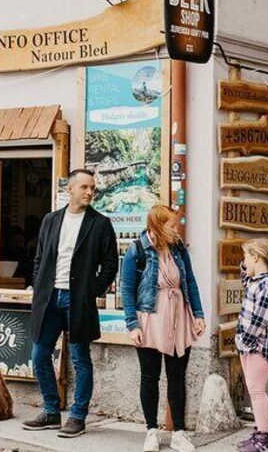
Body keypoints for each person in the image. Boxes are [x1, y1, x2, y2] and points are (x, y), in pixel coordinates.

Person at [23, 169, 118, 438]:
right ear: (71, 189)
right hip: (49, 297)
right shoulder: (51, 220)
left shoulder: (100, 223)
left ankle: (77, 416)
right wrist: (39, 285)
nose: (90, 192)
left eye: (93, 188)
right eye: (85, 187)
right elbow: (40, 258)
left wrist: (92, 291)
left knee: (80, 358)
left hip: (78, 299)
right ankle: (51, 411)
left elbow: (111, 264)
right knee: (39, 355)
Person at [120, 205, 206, 452]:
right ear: (157, 226)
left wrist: (198, 314)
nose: (175, 228)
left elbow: (190, 280)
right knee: (149, 376)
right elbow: (127, 289)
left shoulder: (178, 248)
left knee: (177, 376)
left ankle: (179, 432)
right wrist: (132, 325)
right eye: (170, 225)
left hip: (179, 316)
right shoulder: (136, 251)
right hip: (149, 318)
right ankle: (151, 431)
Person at [235, 239, 268, 452]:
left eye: (247, 257)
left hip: (259, 346)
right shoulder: (256, 282)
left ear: (256, 257)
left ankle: (264, 440)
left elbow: (259, 320)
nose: (244, 262)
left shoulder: (267, 287)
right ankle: (259, 433)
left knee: (257, 392)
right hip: (249, 345)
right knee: (255, 391)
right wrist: (245, 267)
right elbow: (245, 280)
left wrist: (245, 341)